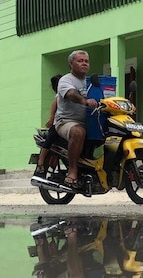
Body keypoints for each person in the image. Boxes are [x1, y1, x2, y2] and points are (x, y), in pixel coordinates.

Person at [54, 50, 98, 189]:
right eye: (80, 60)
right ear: (71, 63)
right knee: (78, 132)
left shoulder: (91, 81)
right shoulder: (66, 80)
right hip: (66, 121)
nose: (84, 63)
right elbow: (71, 94)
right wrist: (84, 101)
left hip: (89, 121)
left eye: (86, 61)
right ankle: (72, 169)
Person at [33, 74, 62, 180]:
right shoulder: (58, 96)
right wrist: (51, 119)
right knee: (50, 138)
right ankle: (40, 162)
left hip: (65, 123)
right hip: (58, 124)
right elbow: (53, 108)